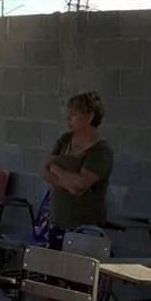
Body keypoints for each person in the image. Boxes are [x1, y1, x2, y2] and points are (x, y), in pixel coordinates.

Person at [41, 91, 114, 250]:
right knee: (52, 269)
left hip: (84, 226)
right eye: (69, 114)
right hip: (58, 219)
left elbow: (82, 183)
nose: (69, 118)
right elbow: (46, 170)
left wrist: (57, 170)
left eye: (74, 115)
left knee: (75, 271)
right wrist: (68, 184)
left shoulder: (101, 150)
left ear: (89, 117)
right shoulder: (65, 139)